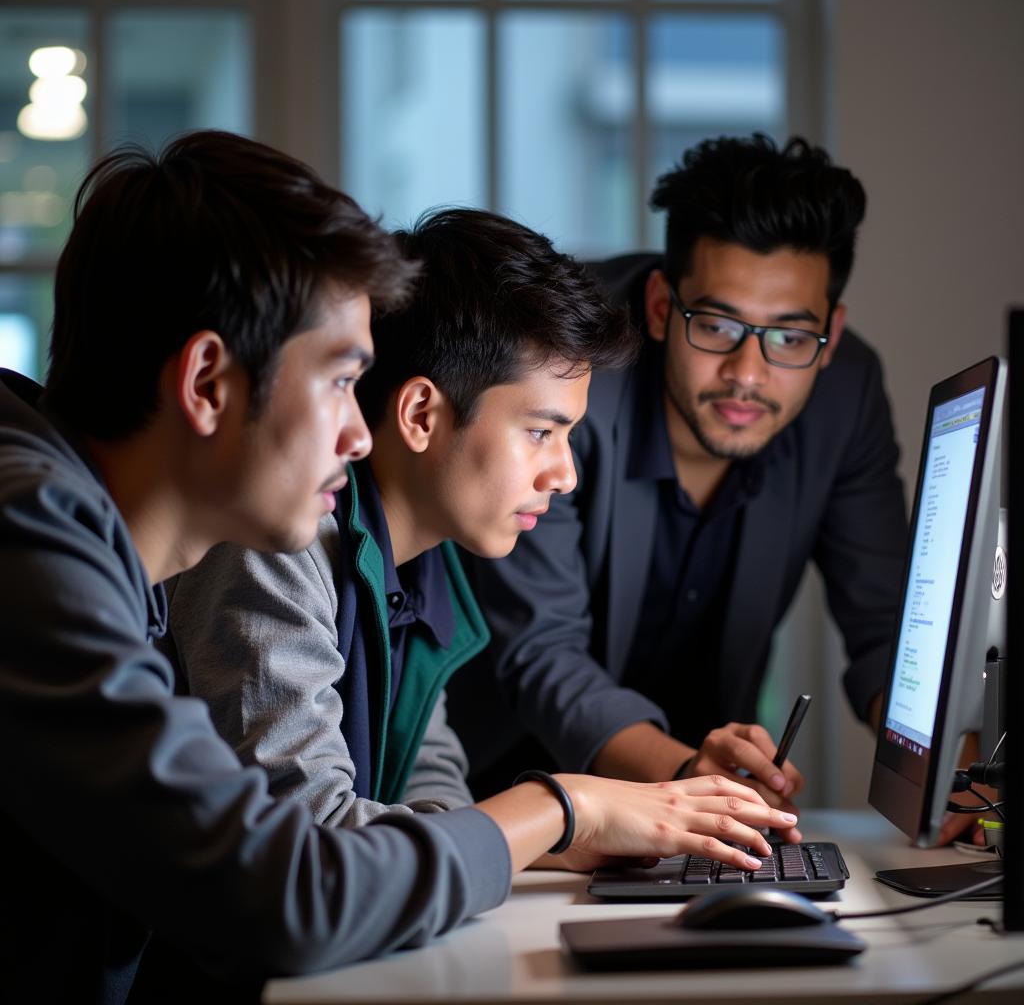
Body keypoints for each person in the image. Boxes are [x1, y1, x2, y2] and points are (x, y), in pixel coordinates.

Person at [0, 131, 796, 1003]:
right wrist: (566, 807)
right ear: (208, 385)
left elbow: (355, 841)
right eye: (341, 381)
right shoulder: (34, 538)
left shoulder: (87, 549)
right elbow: (296, 889)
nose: (357, 432)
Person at [447, 133, 910, 825]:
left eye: (790, 337)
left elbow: (885, 627)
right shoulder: (570, 370)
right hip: (502, 785)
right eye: (719, 325)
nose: (748, 375)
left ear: (831, 334)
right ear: (661, 306)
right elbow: (541, 649)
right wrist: (686, 775)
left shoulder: (846, 395)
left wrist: (948, 772)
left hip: (698, 798)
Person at [160, 206, 638, 827]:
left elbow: (429, 778)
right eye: (542, 432)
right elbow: (314, 839)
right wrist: (564, 816)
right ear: (419, 415)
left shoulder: (424, 564)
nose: (565, 475)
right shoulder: (276, 542)